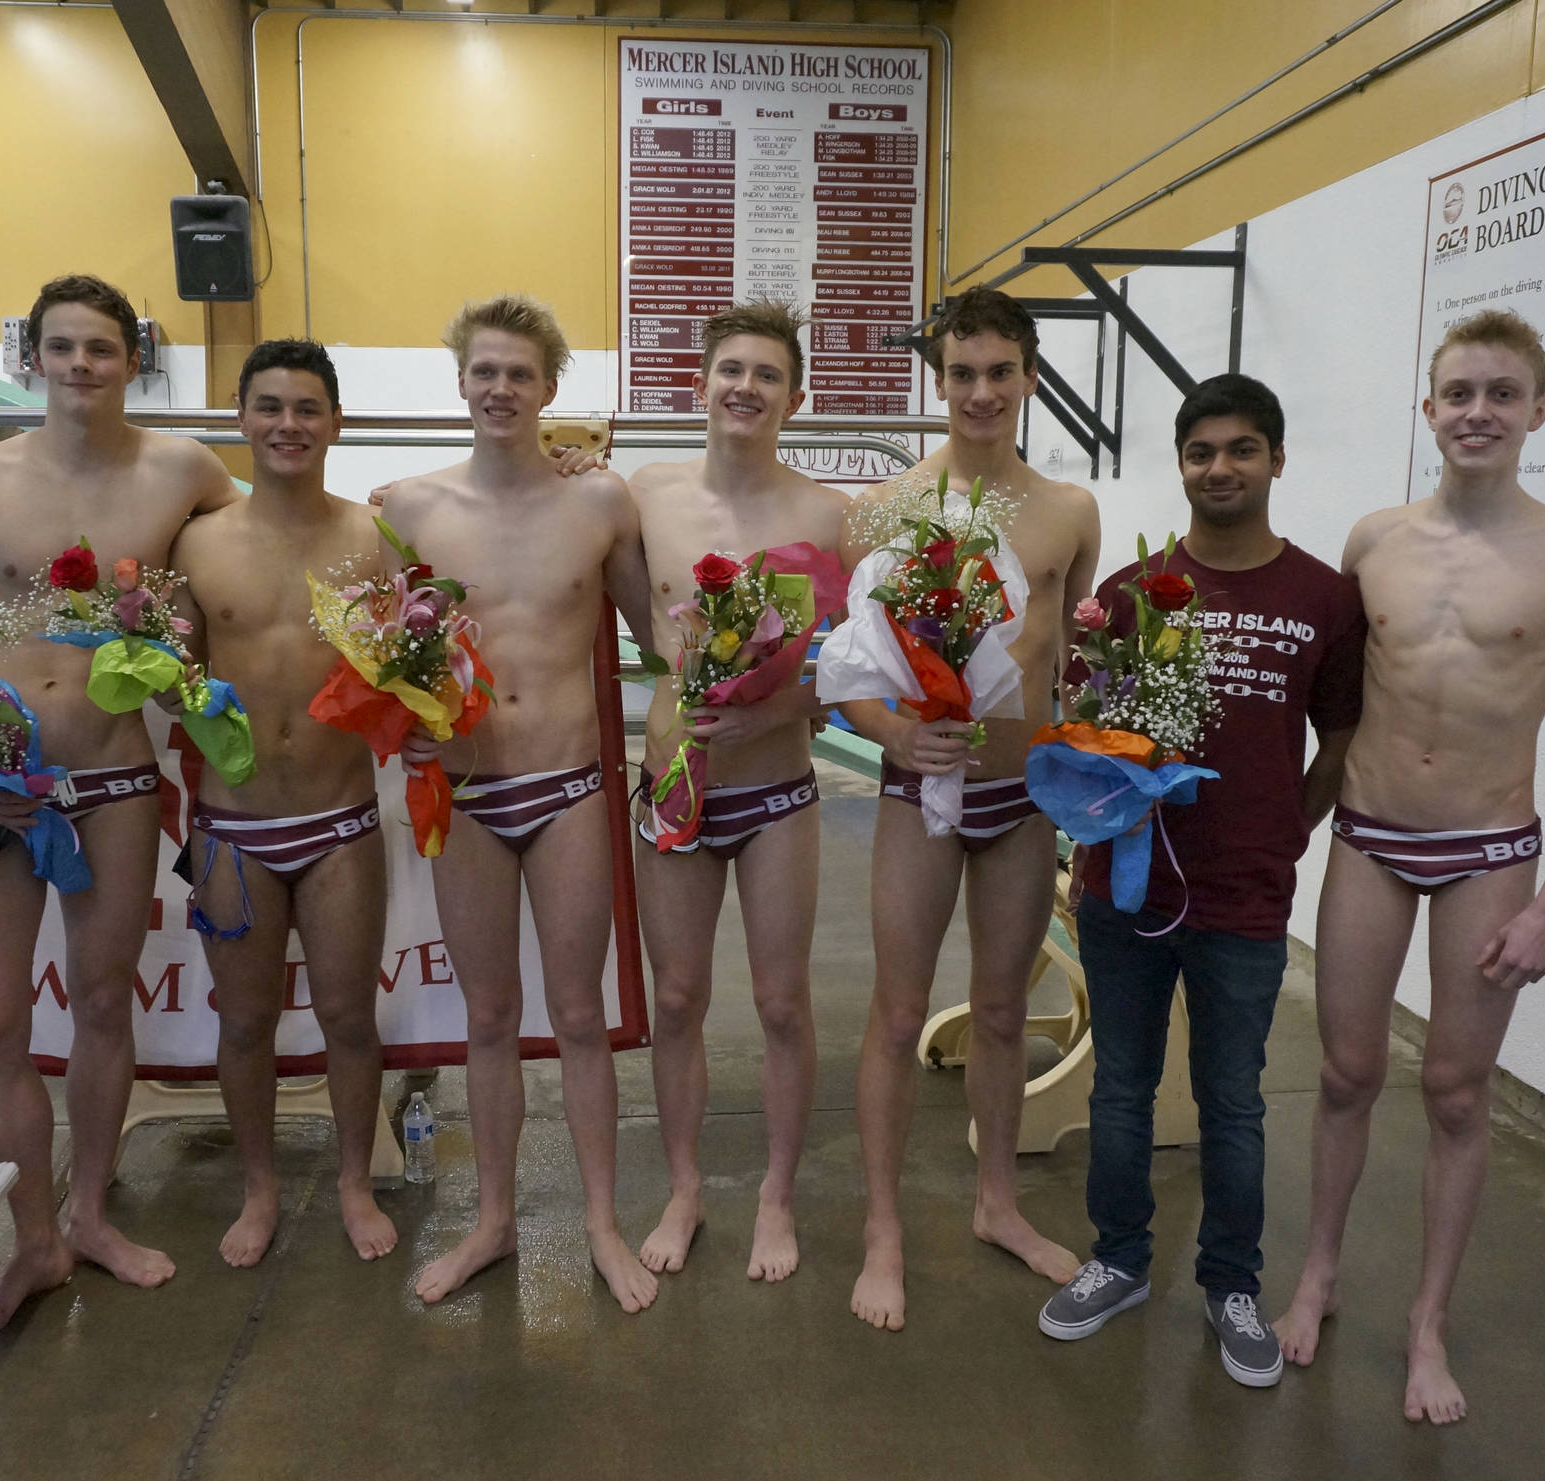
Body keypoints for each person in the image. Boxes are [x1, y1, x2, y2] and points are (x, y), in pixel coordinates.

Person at [1272, 309, 1545, 1424]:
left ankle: (1425, 1322)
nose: (1477, 412)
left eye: (1500, 394)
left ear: (1537, 412)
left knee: (1455, 1092)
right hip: (1371, 837)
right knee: (1342, 1074)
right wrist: (1289, 823)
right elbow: (1331, 707)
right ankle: (1318, 1271)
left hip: (1487, 850)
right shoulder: (1373, 539)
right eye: (1458, 393)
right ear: (1426, 411)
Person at [0, 273, 241, 1342]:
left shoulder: (181, 470)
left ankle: (90, 1216)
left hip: (112, 784)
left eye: (102, 348)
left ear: (130, 356)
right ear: (33, 358)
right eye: (62, 348)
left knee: (104, 1007)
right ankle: (34, 1241)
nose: (81, 366)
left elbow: (267, 544)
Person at [1036, 374, 1365, 1390]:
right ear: (1180, 464)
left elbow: (1341, 734)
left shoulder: (1321, 597)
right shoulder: (1131, 597)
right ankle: (1117, 1260)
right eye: (1199, 451)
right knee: (1122, 1090)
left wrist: (1283, 831)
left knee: (1230, 1103)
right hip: (1123, 890)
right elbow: (1090, 734)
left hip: (1243, 899)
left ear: (1273, 459)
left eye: (1240, 449)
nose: (1219, 468)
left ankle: (1229, 1285)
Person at [380, 294, 660, 1313]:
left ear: (549, 390)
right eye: (484, 372)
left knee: (579, 1015)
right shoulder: (404, 506)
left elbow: (664, 635)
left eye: (520, 374)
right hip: (463, 793)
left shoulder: (597, 505)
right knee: (488, 1015)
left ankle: (598, 1222)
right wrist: (393, 723)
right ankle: (493, 1222)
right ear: (459, 382)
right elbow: (370, 655)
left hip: (569, 789)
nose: (500, 389)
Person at [830, 286, 1101, 1331]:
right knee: (898, 1015)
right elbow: (848, 666)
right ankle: (883, 1230)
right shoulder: (888, 509)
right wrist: (889, 734)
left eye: (999, 372)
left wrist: (1094, 778)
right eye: (960, 374)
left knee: (998, 1011)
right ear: (934, 380)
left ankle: (995, 1204)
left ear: (1029, 376)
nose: (980, 392)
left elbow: (1066, 663)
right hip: (918, 788)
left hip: (1021, 798)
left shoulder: (1067, 510)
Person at [626, 298, 846, 1283]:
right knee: (674, 998)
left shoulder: (826, 515)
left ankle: (774, 1194)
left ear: (793, 397)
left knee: (781, 1002)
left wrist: (776, 711)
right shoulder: (646, 497)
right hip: (674, 785)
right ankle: (683, 1189)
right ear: (700, 384)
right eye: (729, 371)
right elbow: (642, 633)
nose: (743, 388)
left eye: (765, 375)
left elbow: (845, 674)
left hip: (775, 795)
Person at [169, 340, 398, 1269]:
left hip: (341, 820)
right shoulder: (197, 541)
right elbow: (167, 673)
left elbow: (412, 663)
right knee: (245, 1023)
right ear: (241, 417)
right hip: (234, 827)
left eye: (308, 408)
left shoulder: (372, 538)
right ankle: (260, 1186)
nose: (289, 425)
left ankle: (352, 1179)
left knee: (349, 1017)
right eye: (270, 406)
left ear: (337, 422)